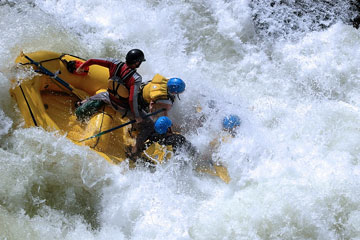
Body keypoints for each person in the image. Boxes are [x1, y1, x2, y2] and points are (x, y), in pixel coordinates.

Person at [75, 49, 153, 159]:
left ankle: (81, 103)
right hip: (122, 107)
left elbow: (92, 60)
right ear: (136, 63)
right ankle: (135, 151)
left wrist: (80, 68)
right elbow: (131, 100)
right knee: (149, 124)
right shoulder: (136, 78)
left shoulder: (114, 63)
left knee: (102, 94)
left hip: (109, 97)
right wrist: (137, 116)